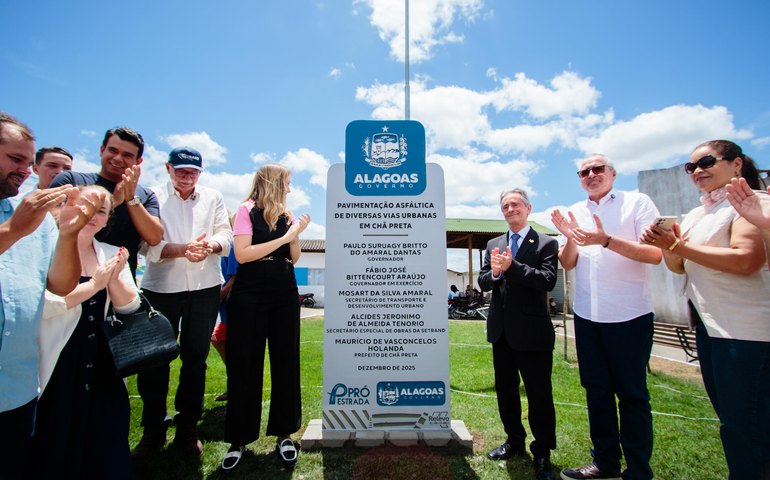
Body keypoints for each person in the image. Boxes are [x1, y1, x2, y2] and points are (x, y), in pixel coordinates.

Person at [641, 140, 770, 479]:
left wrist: (676, 245)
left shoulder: (755, 205)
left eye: (707, 162)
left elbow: (747, 260)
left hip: (746, 332)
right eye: (691, 167)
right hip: (709, 328)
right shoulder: (699, 214)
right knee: (732, 422)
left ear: (737, 165)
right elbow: (680, 266)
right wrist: (667, 245)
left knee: (751, 427)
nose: (697, 171)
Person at [0, 112, 102, 480]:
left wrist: (69, 236)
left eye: (28, 163)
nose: (25, 171)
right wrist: (12, 230)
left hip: (18, 388)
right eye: (15, 159)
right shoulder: (23, 218)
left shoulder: (36, 217)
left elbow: (60, 284)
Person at [551, 154, 662, 480]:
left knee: (632, 395)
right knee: (596, 393)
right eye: (584, 171)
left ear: (613, 173)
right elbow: (568, 263)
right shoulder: (575, 212)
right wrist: (571, 237)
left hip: (630, 315)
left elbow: (655, 254)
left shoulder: (637, 203)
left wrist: (607, 241)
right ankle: (605, 463)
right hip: (587, 316)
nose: (591, 174)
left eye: (598, 169)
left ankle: (639, 469)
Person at [31, 185, 140, 479]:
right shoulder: (44, 249)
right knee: (54, 433)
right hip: (57, 356)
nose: (91, 215)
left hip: (101, 358)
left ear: (107, 220)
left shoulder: (110, 252)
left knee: (106, 432)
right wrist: (93, 286)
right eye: (85, 207)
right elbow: (44, 306)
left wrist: (113, 277)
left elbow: (130, 307)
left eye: (101, 211)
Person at [133, 147, 232, 457]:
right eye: (181, 171)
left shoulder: (213, 196)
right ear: (167, 168)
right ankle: (153, 430)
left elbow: (225, 234)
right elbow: (146, 244)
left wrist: (210, 246)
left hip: (204, 288)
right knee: (155, 361)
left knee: (195, 360)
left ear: (201, 173)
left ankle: (187, 428)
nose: (187, 177)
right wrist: (182, 249)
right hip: (161, 288)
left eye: (194, 172)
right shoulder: (152, 196)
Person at [220, 164, 310, 472]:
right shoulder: (245, 211)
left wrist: (294, 236)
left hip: (284, 288)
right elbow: (243, 254)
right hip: (250, 290)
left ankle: (285, 433)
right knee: (245, 362)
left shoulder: (287, 216)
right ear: (272, 183)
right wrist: (286, 238)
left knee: (286, 361)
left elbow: (294, 257)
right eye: (286, 183)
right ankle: (239, 439)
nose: (289, 189)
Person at [479, 188, 558, 480]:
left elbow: (547, 281)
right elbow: (484, 280)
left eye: (515, 204)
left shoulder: (546, 243)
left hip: (533, 333)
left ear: (527, 208)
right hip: (501, 332)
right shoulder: (493, 243)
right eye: (505, 206)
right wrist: (497, 273)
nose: (510, 209)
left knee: (539, 395)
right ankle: (514, 440)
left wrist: (512, 268)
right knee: (506, 392)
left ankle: (542, 452)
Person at [50, 126, 163, 276]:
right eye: (113, 151)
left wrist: (130, 199)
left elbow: (154, 238)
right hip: (68, 278)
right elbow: (51, 224)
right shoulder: (70, 180)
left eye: (127, 155)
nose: (118, 158)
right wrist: (113, 201)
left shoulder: (146, 195)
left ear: (138, 161)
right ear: (102, 149)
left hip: (120, 284)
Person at [212, 217, 238, 403]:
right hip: (224, 308)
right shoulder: (215, 244)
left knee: (231, 348)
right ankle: (233, 386)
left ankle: (235, 391)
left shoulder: (233, 243)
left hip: (232, 308)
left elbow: (235, 276)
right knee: (218, 340)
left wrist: (220, 294)